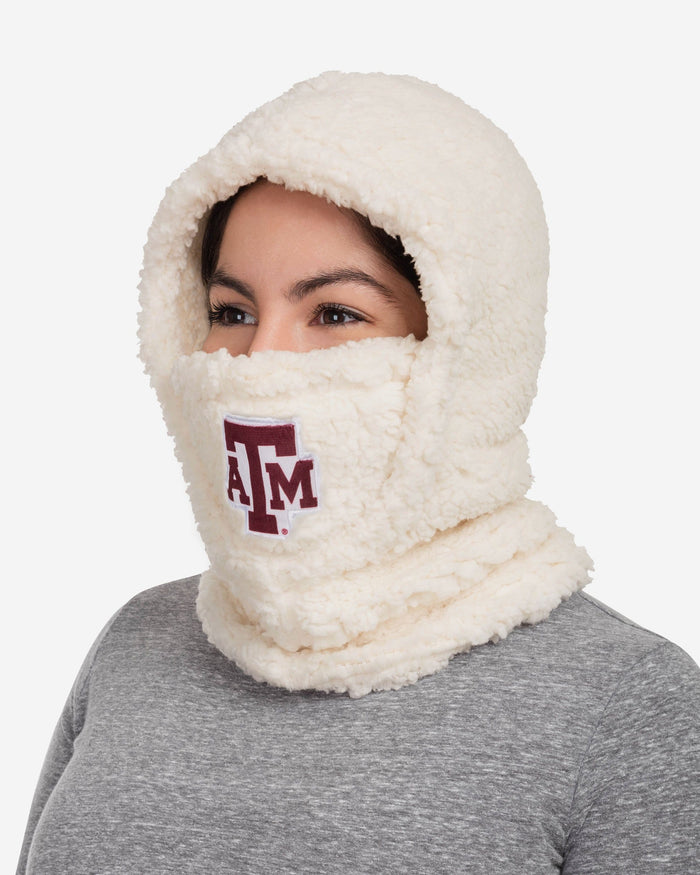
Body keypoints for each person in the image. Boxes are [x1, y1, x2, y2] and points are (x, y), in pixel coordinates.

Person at [17, 72, 699, 873]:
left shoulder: (622, 700)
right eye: (232, 312)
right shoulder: (138, 642)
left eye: (335, 313)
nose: (261, 361)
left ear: (467, 348)